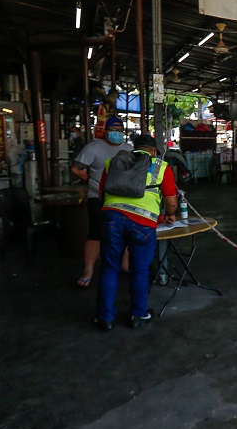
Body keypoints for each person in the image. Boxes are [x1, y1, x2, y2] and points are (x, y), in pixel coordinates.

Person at [93, 134, 178, 330]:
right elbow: (171, 201)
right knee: (140, 270)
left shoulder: (113, 163)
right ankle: (137, 315)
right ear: (154, 151)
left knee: (109, 268)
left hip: (111, 218)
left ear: (135, 148)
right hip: (143, 223)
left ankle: (105, 318)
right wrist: (169, 215)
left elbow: (101, 194)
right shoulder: (160, 166)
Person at [71, 116, 132, 287]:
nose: (117, 134)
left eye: (120, 131)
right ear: (105, 132)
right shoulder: (94, 147)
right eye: (113, 130)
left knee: (125, 232)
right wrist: (91, 180)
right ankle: (88, 270)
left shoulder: (128, 148)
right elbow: (76, 168)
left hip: (122, 197)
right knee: (95, 234)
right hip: (98, 197)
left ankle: (125, 264)